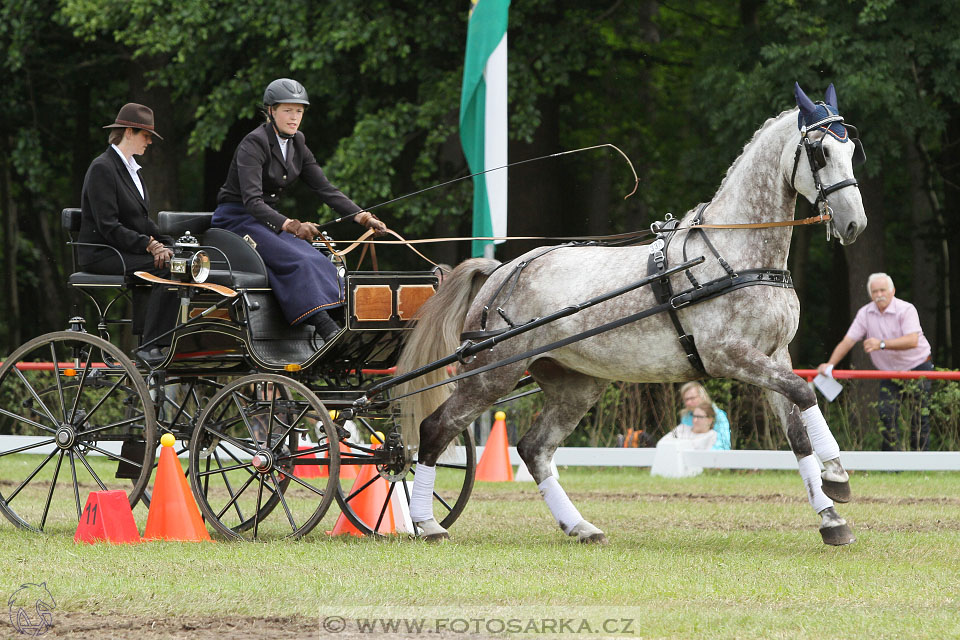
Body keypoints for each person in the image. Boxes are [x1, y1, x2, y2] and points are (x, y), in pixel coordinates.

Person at [212, 78, 386, 341]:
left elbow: (324, 188)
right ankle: (326, 329)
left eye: (299, 111)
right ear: (271, 111)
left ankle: (342, 325)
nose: (294, 118)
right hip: (237, 219)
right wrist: (292, 225)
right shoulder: (254, 143)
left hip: (269, 219)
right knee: (299, 261)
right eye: (287, 110)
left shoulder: (298, 143)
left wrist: (362, 216)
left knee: (324, 261)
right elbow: (252, 201)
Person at [78, 103, 177, 364]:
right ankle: (151, 345)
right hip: (102, 253)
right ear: (129, 132)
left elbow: (141, 221)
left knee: (178, 261)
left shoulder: (133, 171)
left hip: (123, 249)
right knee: (167, 268)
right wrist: (148, 245)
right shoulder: (103, 168)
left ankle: (153, 339)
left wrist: (168, 243)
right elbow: (108, 226)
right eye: (146, 136)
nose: (149, 142)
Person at [817, 272, 933, 451]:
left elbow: (912, 340)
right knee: (886, 413)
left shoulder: (906, 309)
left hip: (918, 366)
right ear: (870, 294)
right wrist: (830, 364)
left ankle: (921, 461)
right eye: (874, 291)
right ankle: (891, 463)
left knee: (920, 416)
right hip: (889, 371)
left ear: (892, 291)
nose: (879, 295)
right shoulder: (865, 313)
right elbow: (848, 341)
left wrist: (882, 344)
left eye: (882, 290)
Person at [677, 382, 731, 450]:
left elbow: (724, 446)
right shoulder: (686, 416)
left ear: (702, 396)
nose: (688, 402)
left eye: (692, 398)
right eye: (686, 399)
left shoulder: (718, 415)